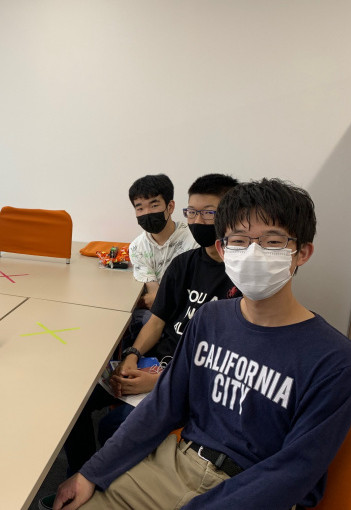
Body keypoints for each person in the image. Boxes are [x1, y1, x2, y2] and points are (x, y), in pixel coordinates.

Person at [54, 178, 351, 510]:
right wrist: (92, 473)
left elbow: (294, 472)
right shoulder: (210, 318)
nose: (253, 253)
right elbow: (162, 406)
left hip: (250, 491)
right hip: (175, 465)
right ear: (223, 249)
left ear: (302, 253)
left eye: (272, 242)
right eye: (239, 241)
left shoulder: (333, 358)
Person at [55, 174, 240, 490]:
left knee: (114, 427)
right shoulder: (184, 265)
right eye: (192, 212)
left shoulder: (242, 278)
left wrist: (160, 381)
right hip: (153, 362)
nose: (198, 221)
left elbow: (226, 362)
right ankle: (79, 476)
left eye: (208, 212)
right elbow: (156, 321)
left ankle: (103, 485)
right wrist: (131, 355)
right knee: (74, 403)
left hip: (187, 380)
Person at [126, 173, 197, 335]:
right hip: (160, 314)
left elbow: (191, 292)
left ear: (170, 207)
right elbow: (154, 295)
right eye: (140, 208)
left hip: (189, 310)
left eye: (154, 205)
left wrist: (159, 300)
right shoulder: (137, 247)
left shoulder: (193, 240)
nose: (147, 212)